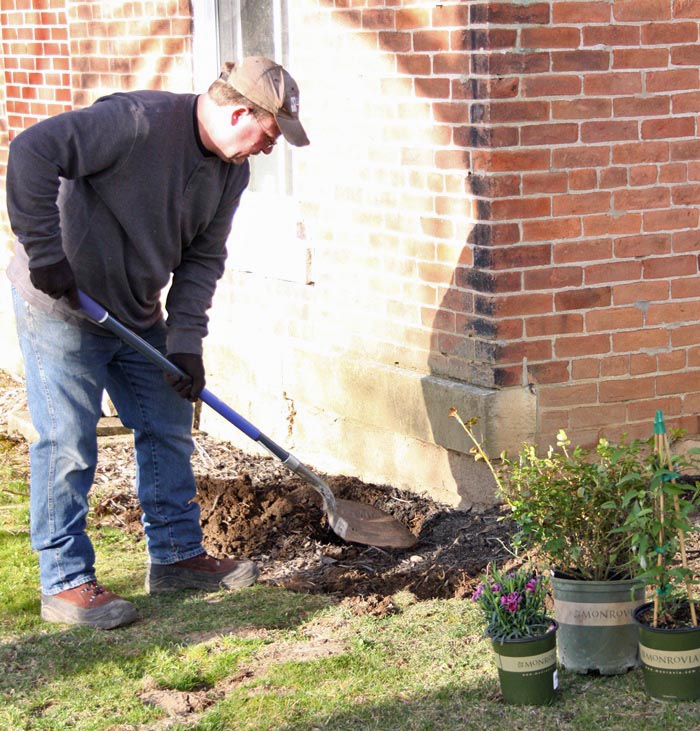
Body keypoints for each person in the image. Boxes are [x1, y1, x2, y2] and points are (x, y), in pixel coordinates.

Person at [5, 56, 310, 629]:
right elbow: (31, 152)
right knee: (68, 443)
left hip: (135, 312)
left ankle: (175, 558)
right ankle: (65, 581)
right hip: (64, 305)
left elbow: (202, 260)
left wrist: (186, 342)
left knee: (168, 425)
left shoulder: (230, 173)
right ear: (240, 111)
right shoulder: (136, 122)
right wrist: (45, 252)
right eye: (269, 136)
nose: (269, 150)